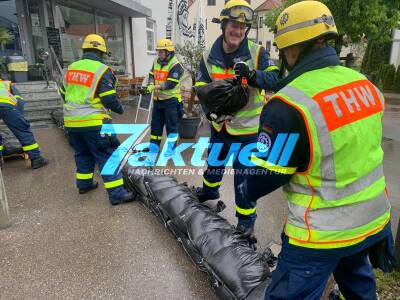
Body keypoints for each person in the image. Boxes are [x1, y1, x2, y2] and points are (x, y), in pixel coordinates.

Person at [237, 1, 394, 298]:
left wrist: (246, 190)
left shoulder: (289, 105)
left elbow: (267, 174)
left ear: (293, 49)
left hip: (320, 235)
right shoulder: (365, 85)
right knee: (358, 288)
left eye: (283, 50)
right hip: (371, 221)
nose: (283, 56)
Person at [193, 0, 279, 232]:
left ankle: (245, 224)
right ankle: (210, 195)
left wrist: (252, 75)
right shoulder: (208, 55)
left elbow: (274, 80)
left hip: (248, 132)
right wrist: (209, 111)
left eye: (242, 27)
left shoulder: (257, 52)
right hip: (220, 128)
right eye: (233, 24)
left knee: (245, 181)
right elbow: (200, 86)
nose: (238, 30)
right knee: (213, 168)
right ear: (224, 25)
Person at [59, 34, 135, 205]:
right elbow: (109, 98)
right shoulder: (102, 70)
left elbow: (64, 93)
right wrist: (120, 109)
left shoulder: (71, 68)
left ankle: (84, 184)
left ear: (85, 49)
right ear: (101, 52)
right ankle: (117, 194)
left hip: (71, 122)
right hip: (94, 122)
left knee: (83, 153)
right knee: (108, 154)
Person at [144, 38, 184, 157]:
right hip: (158, 101)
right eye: (159, 52)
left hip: (171, 101)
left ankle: (171, 149)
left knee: (171, 127)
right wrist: (150, 83)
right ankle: (154, 147)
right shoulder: (156, 62)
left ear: (168, 52)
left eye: (162, 52)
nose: (159, 54)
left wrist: (154, 87)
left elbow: (170, 83)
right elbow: (151, 74)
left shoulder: (176, 65)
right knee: (156, 126)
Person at [0, 78, 48, 169]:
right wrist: (19, 118)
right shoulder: (7, 84)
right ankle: (36, 159)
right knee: (23, 131)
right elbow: (19, 101)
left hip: (4, 106)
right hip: (5, 106)